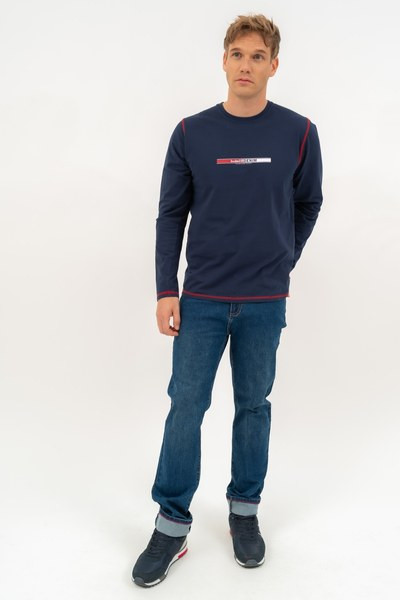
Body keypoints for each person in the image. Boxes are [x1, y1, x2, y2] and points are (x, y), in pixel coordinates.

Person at [132, 13, 323, 587]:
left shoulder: (299, 132)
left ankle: (244, 512)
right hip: (202, 300)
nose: (246, 65)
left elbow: (308, 203)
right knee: (186, 406)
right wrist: (166, 289)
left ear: (274, 65)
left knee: (254, 405)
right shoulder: (192, 133)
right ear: (223, 60)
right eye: (237, 54)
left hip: (265, 300)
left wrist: (284, 258)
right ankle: (171, 524)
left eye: (257, 56)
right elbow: (171, 215)